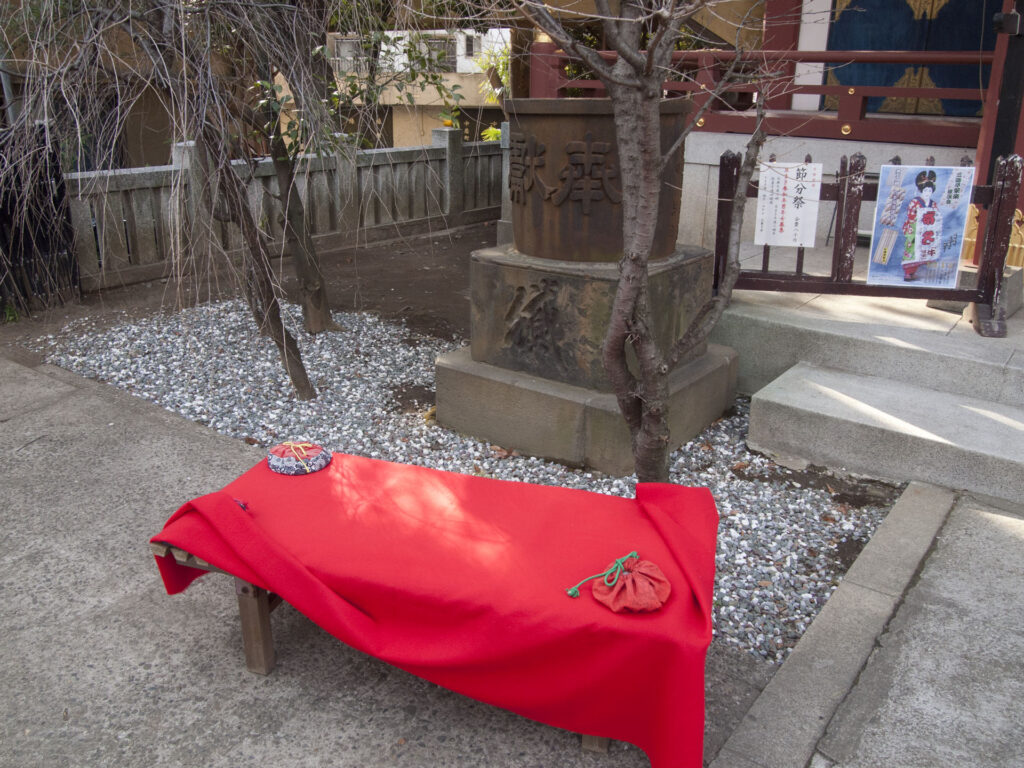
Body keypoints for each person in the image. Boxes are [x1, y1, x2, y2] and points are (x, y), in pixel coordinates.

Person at [901, 169, 942, 281]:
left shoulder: (933, 204)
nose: (927, 192)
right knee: (912, 250)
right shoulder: (915, 202)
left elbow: (937, 216)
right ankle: (908, 272)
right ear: (921, 190)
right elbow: (911, 216)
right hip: (915, 229)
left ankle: (914, 271)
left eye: (930, 190)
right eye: (925, 190)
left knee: (923, 250)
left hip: (927, 231)